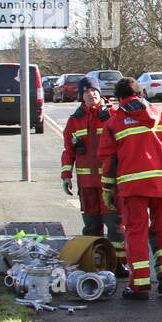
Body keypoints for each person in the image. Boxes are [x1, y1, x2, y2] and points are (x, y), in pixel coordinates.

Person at [98, 77, 162, 300]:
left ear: (119, 98)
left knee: (136, 232)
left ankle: (140, 284)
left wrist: (107, 189)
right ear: (140, 94)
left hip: (132, 187)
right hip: (160, 185)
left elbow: (109, 161)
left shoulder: (114, 122)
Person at [60, 77, 128, 275]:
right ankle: (95, 262)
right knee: (91, 226)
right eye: (86, 92)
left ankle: (118, 263)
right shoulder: (75, 120)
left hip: (110, 183)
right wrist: (66, 174)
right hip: (87, 184)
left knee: (115, 225)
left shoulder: (114, 115)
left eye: (94, 90)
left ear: (100, 92)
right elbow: (68, 150)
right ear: (81, 96)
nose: (91, 94)